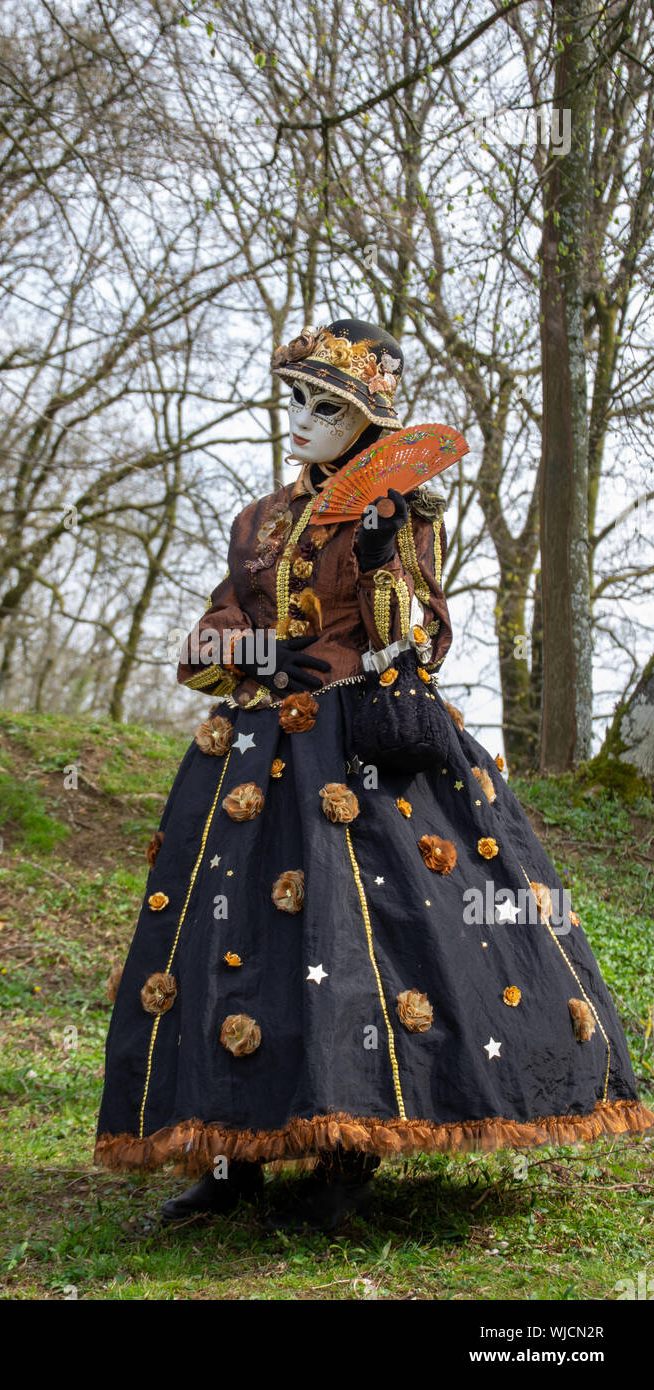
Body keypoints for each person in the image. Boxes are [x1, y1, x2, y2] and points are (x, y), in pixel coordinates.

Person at [94, 319, 652, 1230]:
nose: (305, 420)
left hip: (365, 754)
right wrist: (262, 652)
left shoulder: (408, 515)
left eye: (330, 407)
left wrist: (387, 551)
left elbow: (419, 641)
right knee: (231, 949)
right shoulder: (259, 521)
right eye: (298, 401)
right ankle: (230, 1160)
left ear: (370, 429)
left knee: (359, 943)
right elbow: (205, 640)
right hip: (250, 760)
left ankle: (346, 1159)